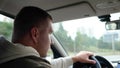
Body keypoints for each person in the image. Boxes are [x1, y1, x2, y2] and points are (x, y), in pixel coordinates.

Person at [0, 6, 96, 68]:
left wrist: (76, 58)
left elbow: (49, 64)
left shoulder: (9, 58)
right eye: (49, 33)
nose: (52, 41)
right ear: (35, 34)